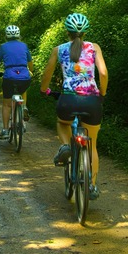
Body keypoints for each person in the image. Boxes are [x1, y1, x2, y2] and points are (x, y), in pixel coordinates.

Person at [40, 13, 108, 200]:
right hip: (92, 101)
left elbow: (47, 73)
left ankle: (65, 146)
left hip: (68, 99)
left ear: (67, 32)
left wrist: (44, 90)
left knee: (63, 124)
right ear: (85, 32)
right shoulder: (94, 48)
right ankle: (92, 186)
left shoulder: (58, 49)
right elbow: (102, 72)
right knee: (92, 144)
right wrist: (102, 93)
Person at [0, 25, 33, 139]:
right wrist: (31, 71)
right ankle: (23, 107)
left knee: (6, 104)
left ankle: (5, 130)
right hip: (24, 76)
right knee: (23, 88)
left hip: (9, 77)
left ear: (6, 36)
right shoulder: (24, 46)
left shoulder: (3, 47)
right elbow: (30, 62)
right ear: (18, 35)